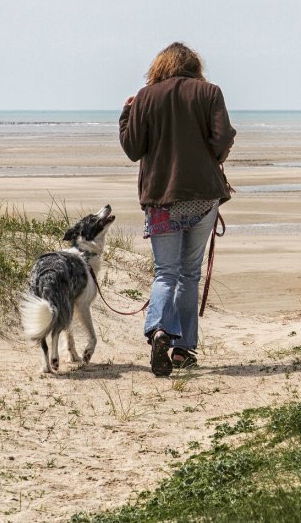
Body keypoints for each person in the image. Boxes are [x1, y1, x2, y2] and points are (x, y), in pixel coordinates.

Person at [119, 42, 236, 377]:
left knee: (165, 272)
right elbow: (224, 137)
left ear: (159, 66)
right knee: (189, 273)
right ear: (194, 65)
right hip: (202, 195)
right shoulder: (210, 92)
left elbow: (132, 148)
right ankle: (183, 349)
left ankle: (158, 330)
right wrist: (215, 159)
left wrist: (127, 113)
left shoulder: (145, 97)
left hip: (160, 197)